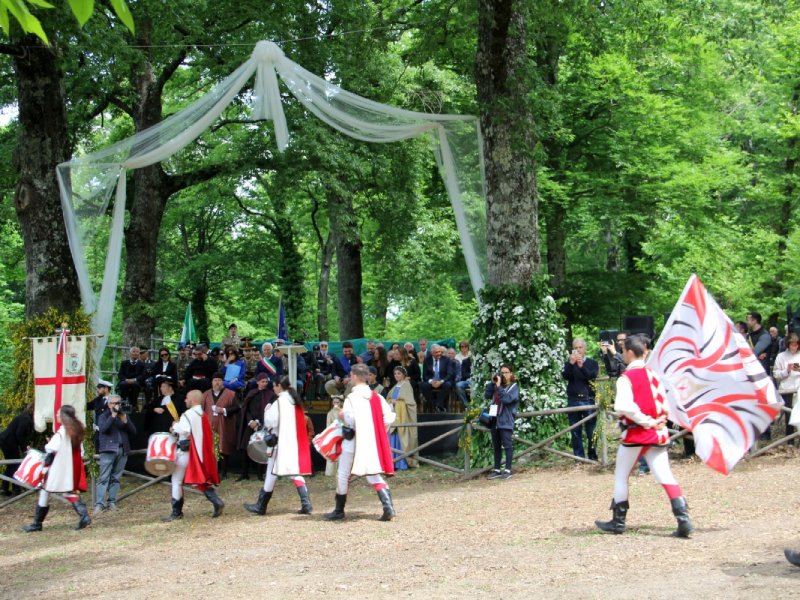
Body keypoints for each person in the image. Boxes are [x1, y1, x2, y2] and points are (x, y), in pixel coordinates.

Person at [595, 334, 693, 538]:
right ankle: (683, 519)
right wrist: (658, 421)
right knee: (665, 475)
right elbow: (664, 402)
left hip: (637, 433)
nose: (622, 354)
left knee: (621, 476)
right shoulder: (654, 375)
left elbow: (623, 406)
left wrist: (647, 421)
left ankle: (618, 522)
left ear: (630, 353)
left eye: (623, 351)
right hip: (657, 433)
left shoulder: (626, 378)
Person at [324, 363, 396, 522]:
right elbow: (389, 417)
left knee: (343, 473)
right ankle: (388, 507)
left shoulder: (352, 398)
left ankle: (339, 510)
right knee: (372, 473)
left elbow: (351, 420)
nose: (350, 378)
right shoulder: (377, 397)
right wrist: (376, 431)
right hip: (370, 441)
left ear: (355, 377)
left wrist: (342, 416)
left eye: (351, 375)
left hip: (353, 440)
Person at [243, 377, 313, 516]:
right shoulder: (294, 401)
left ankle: (261, 506)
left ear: (279, 386)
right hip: (291, 442)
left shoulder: (279, 402)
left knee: (271, 473)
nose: (273, 389)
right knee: (292, 472)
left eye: (274, 386)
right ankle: (306, 503)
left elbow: (271, 422)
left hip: (279, 443)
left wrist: (267, 411)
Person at [23, 405, 91, 532]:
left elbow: (50, 448)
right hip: (70, 468)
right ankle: (84, 516)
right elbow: (81, 452)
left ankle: (37, 523)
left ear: (65, 416)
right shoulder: (76, 431)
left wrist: (50, 442)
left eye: (59, 413)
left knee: (47, 490)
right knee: (67, 491)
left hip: (59, 468)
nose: (57, 415)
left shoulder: (62, 432)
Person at [161, 390, 224, 521]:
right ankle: (216, 501)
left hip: (186, 452)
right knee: (199, 479)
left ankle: (176, 512)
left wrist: (175, 427)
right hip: (198, 453)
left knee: (176, 481)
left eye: (187, 398)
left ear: (193, 400)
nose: (185, 400)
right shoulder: (203, 414)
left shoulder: (188, 414)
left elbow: (185, 430)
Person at [94, 394, 137, 515]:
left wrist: (125, 421)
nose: (117, 405)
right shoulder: (103, 416)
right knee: (104, 478)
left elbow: (134, 431)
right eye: (114, 403)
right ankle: (99, 504)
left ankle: (112, 502)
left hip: (122, 449)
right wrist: (113, 415)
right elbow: (103, 429)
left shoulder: (123, 414)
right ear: (109, 405)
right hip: (108, 450)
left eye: (119, 403)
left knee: (116, 478)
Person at [561, 338, 599, 460]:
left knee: (591, 431)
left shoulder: (592, 363)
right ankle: (579, 457)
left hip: (588, 399)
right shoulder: (569, 363)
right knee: (575, 431)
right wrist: (571, 364)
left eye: (580, 347)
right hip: (573, 399)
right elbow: (565, 376)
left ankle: (592, 456)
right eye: (575, 348)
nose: (578, 350)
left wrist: (581, 366)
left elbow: (592, 377)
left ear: (585, 349)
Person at [484, 365, 519, 480]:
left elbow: (507, 399)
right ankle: (497, 470)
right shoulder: (497, 386)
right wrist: (492, 383)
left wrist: (498, 387)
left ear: (511, 374)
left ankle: (508, 470)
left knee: (507, 445)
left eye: (506, 372)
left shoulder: (514, 387)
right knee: (496, 446)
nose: (503, 375)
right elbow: (487, 395)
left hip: (505, 419)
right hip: (494, 419)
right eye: (501, 372)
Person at [203, 373, 239, 480]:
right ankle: (212, 471)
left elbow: (238, 407)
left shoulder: (231, 394)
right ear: (212, 382)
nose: (217, 382)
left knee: (223, 448)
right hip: (210, 426)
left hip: (225, 425)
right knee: (210, 449)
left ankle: (224, 473)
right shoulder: (205, 395)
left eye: (219, 380)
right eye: (215, 380)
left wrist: (224, 410)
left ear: (222, 382)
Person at [386, 366, 418, 469]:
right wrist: (391, 402)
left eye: (399, 373)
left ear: (404, 375)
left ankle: (402, 463)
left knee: (402, 438)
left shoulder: (407, 386)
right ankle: (392, 462)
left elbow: (411, 403)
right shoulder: (395, 386)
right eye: (395, 374)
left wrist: (398, 403)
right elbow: (389, 398)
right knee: (393, 437)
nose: (396, 375)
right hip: (394, 416)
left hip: (403, 417)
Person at [0, 403, 34, 496]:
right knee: (15, 465)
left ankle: (4, 488)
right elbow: (19, 434)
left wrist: (25, 446)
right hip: (8, 442)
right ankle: (16, 489)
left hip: (6, 440)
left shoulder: (24, 417)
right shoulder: (26, 419)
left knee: (11, 464)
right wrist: (24, 448)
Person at [773, 332, 800, 443]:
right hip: (786, 388)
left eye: (796, 345)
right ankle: (790, 440)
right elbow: (776, 374)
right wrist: (787, 370)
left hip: (798, 387)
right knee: (789, 415)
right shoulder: (781, 356)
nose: (794, 347)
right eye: (792, 345)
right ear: (788, 345)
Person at [117, 346, 145, 412]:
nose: (135, 353)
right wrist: (126, 380)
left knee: (135, 385)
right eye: (133, 351)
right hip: (125, 381)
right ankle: (123, 402)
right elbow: (120, 374)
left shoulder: (142, 364)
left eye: (137, 352)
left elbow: (142, 375)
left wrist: (134, 380)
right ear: (130, 353)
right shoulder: (124, 363)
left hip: (136, 381)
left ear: (139, 354)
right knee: (123, 384)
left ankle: (134, 404)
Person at [324, 396, 343, 477]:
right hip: (333, 434)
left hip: (343, 434)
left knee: (342, 452)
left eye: (337, 402)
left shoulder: (344, 412)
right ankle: (331, 471)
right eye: (334, 402)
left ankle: (341, 471)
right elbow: (328, 425)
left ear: (341, 403)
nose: (336, 404)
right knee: (333, 452)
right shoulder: (330, 413)